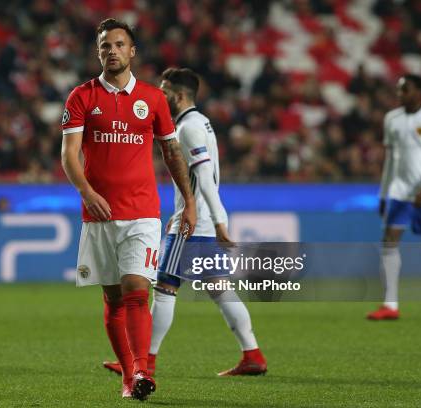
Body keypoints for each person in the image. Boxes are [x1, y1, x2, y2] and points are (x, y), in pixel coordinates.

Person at [60, 19, 196, 400]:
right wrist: (87, 192)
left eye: (119, 44)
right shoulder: (81, 97)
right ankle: (127, 377)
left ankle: (138, 373)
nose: (112, 51)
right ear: (98, 51)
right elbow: (69, 154)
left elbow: (172, 152)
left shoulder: (152, 99)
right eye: (105, 46)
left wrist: (188, 201)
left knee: (137, 290)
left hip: (142, 213)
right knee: (113, 298)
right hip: (99, 215)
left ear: (132, 51)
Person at [103, 68, 267, 378]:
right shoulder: (198, 122)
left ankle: (144, 362)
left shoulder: (188, 129)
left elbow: (204, 178)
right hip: (200, 220)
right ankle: (252, 354)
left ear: (179, 96)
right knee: (220, 289)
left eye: (164, 92)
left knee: (164, 288)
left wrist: (218, 222)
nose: (159, 97)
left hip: (192, 225)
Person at [369, 74, 421, 320]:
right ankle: (390, 304)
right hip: (400, 191)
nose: (400, 94)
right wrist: (383, 193)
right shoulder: (391, 119)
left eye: (405, 89)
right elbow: (390, 159)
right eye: (398, 89)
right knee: (389, 240)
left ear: (419, 92)